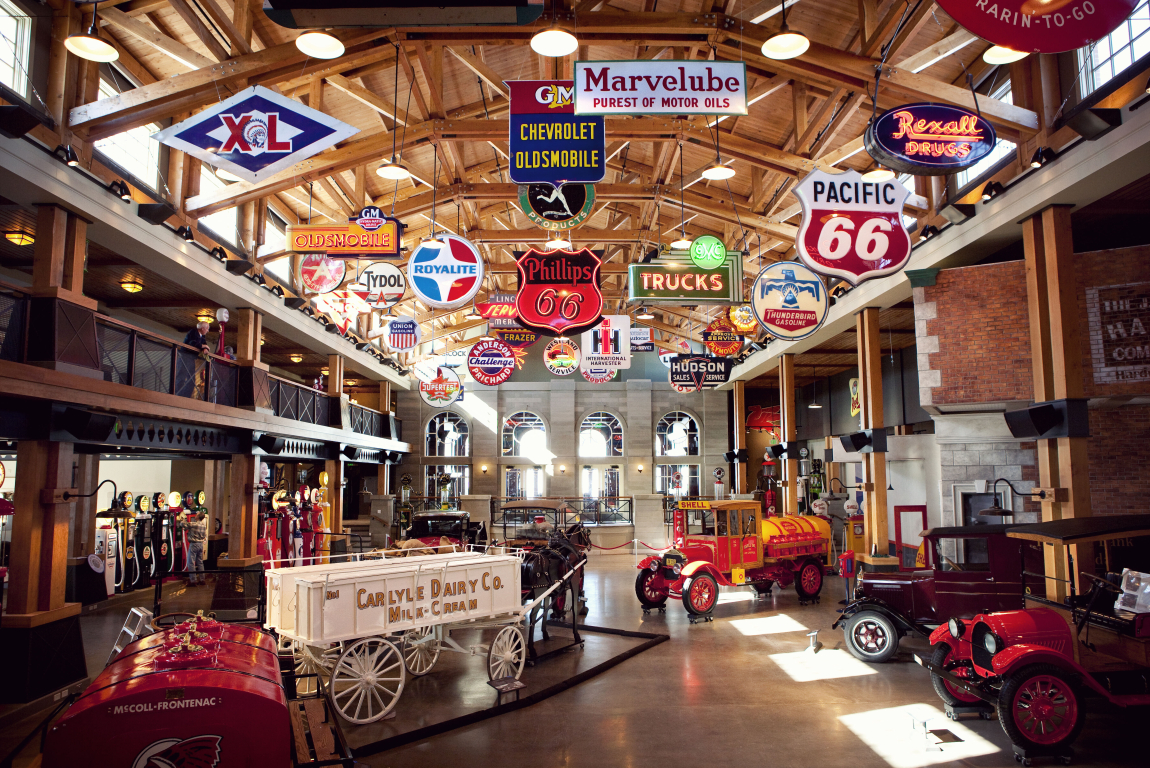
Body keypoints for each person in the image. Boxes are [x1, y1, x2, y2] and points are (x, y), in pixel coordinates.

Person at [178, 510, 209, 585]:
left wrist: (182, 518)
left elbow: (183, 524)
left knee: (190, 562)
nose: (195, 515)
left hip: (194, 544)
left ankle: (193, 580)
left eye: (196, 514)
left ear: (198, 517)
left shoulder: (194, 524)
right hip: (200, 544)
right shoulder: (203, 526)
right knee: (200, 562)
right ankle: (202, 579)